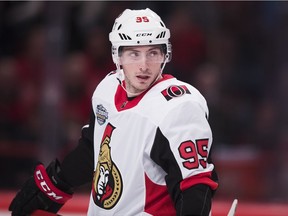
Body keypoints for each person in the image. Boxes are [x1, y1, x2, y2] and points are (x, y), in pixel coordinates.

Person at [9, 8, 219, 216]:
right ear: (117, 55)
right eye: (134, 54)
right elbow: (93, 148)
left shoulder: (179, 107)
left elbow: (194, 186)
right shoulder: (107, 89)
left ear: (165, 54)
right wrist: (55, 184)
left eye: (153, 53)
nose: (144, 65)